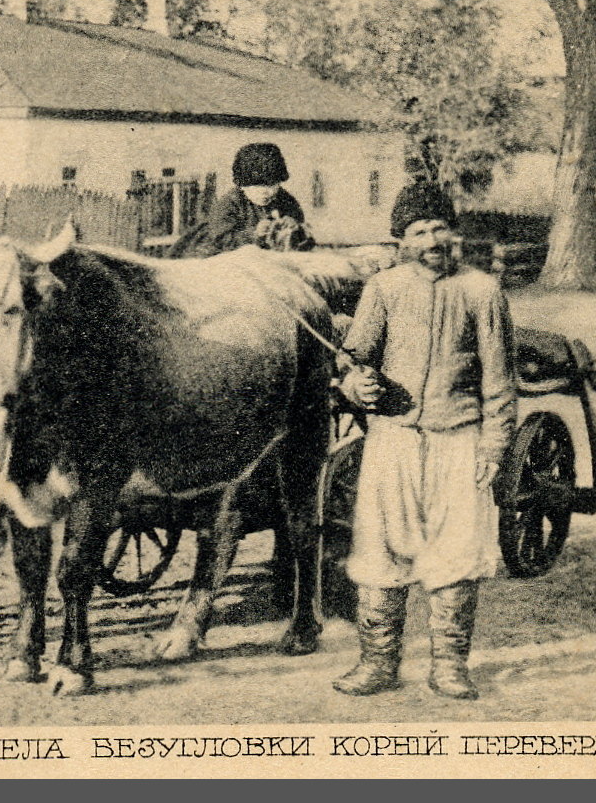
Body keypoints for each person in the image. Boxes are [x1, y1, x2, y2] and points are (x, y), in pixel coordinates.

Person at [332, 180, 517, 700]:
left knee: (456, 553)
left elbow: (500, 382)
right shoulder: (384, 289)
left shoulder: (483, 291)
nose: (432, 239)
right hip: (393, 439)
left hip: (459, 439)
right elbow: (355, 357)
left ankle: (450, 666)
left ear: (453, 232)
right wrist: (355, 384)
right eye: (419, 231)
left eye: (439, 227)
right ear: (402, 241)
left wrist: (495, 446)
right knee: (378, 553)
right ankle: (377, 664)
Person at [171, 142, 313, 258]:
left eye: (271, 185)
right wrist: (253, 234)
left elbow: (306, 242)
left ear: (279, 182)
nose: (264, 191)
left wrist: (296, 229)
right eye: (255, 186)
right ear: (242, 185)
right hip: (217, 253)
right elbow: (220, 240)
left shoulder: (287, 201)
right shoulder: (230, 203)